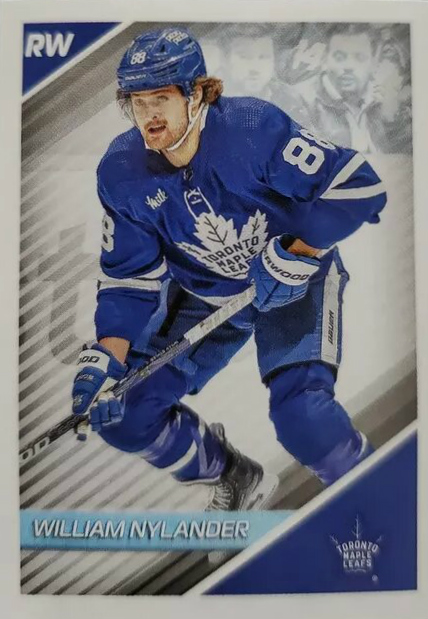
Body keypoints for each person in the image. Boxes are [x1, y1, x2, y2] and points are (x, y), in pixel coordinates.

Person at [71, 27, 387, 513]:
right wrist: (107, 356)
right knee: (124, 414)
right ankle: (237, 478)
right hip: (208, 295)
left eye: (161, 98)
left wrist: (299, 252)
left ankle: (379, 504)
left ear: (197, 93)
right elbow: (129, 278)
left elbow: (360, 187)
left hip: (296, 282)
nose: (148, 114)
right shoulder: (120, 171)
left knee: (303, 418)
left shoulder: (252, 128)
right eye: (137, 101)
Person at [291, 24, 411, 153]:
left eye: (360, 58)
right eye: (339, 57)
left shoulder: (384, 102)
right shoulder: (304, 102)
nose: (348, 66)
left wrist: (390, 117)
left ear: (373, 63)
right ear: (325, 60)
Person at [223, 23, 298, 117]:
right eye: (244, 57)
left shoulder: (289, 100)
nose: (255, 68)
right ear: (226, 60)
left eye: (264, 57)